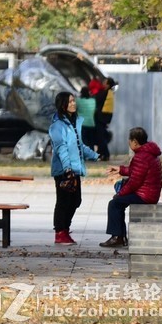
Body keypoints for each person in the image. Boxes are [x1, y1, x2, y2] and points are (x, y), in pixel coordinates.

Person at [49, 90, 98, 244]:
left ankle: (65, 229)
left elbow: (79, 145)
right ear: (62, 105)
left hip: (74, 169)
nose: (73, 103)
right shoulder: (58, 125)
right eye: (69, 101)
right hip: (64, 170)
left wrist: (95, 155)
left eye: (73, 100)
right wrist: (67, 168)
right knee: (63, 201)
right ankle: (60, 232)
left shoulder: (74, 122)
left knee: (75, 200)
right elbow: (61, 147)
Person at [101, 127, 162, 247]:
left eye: (129, 141)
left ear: (135, 142)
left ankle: (117, 237)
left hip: (144, 195)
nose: (129, 143)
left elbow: (134, 182)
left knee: (115, 203)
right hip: (150, 192)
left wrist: (120, 193)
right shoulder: (149, 153)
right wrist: (121, 170)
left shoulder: (141, 157)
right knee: (119, 202)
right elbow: (136, 171)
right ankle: (120, 237)